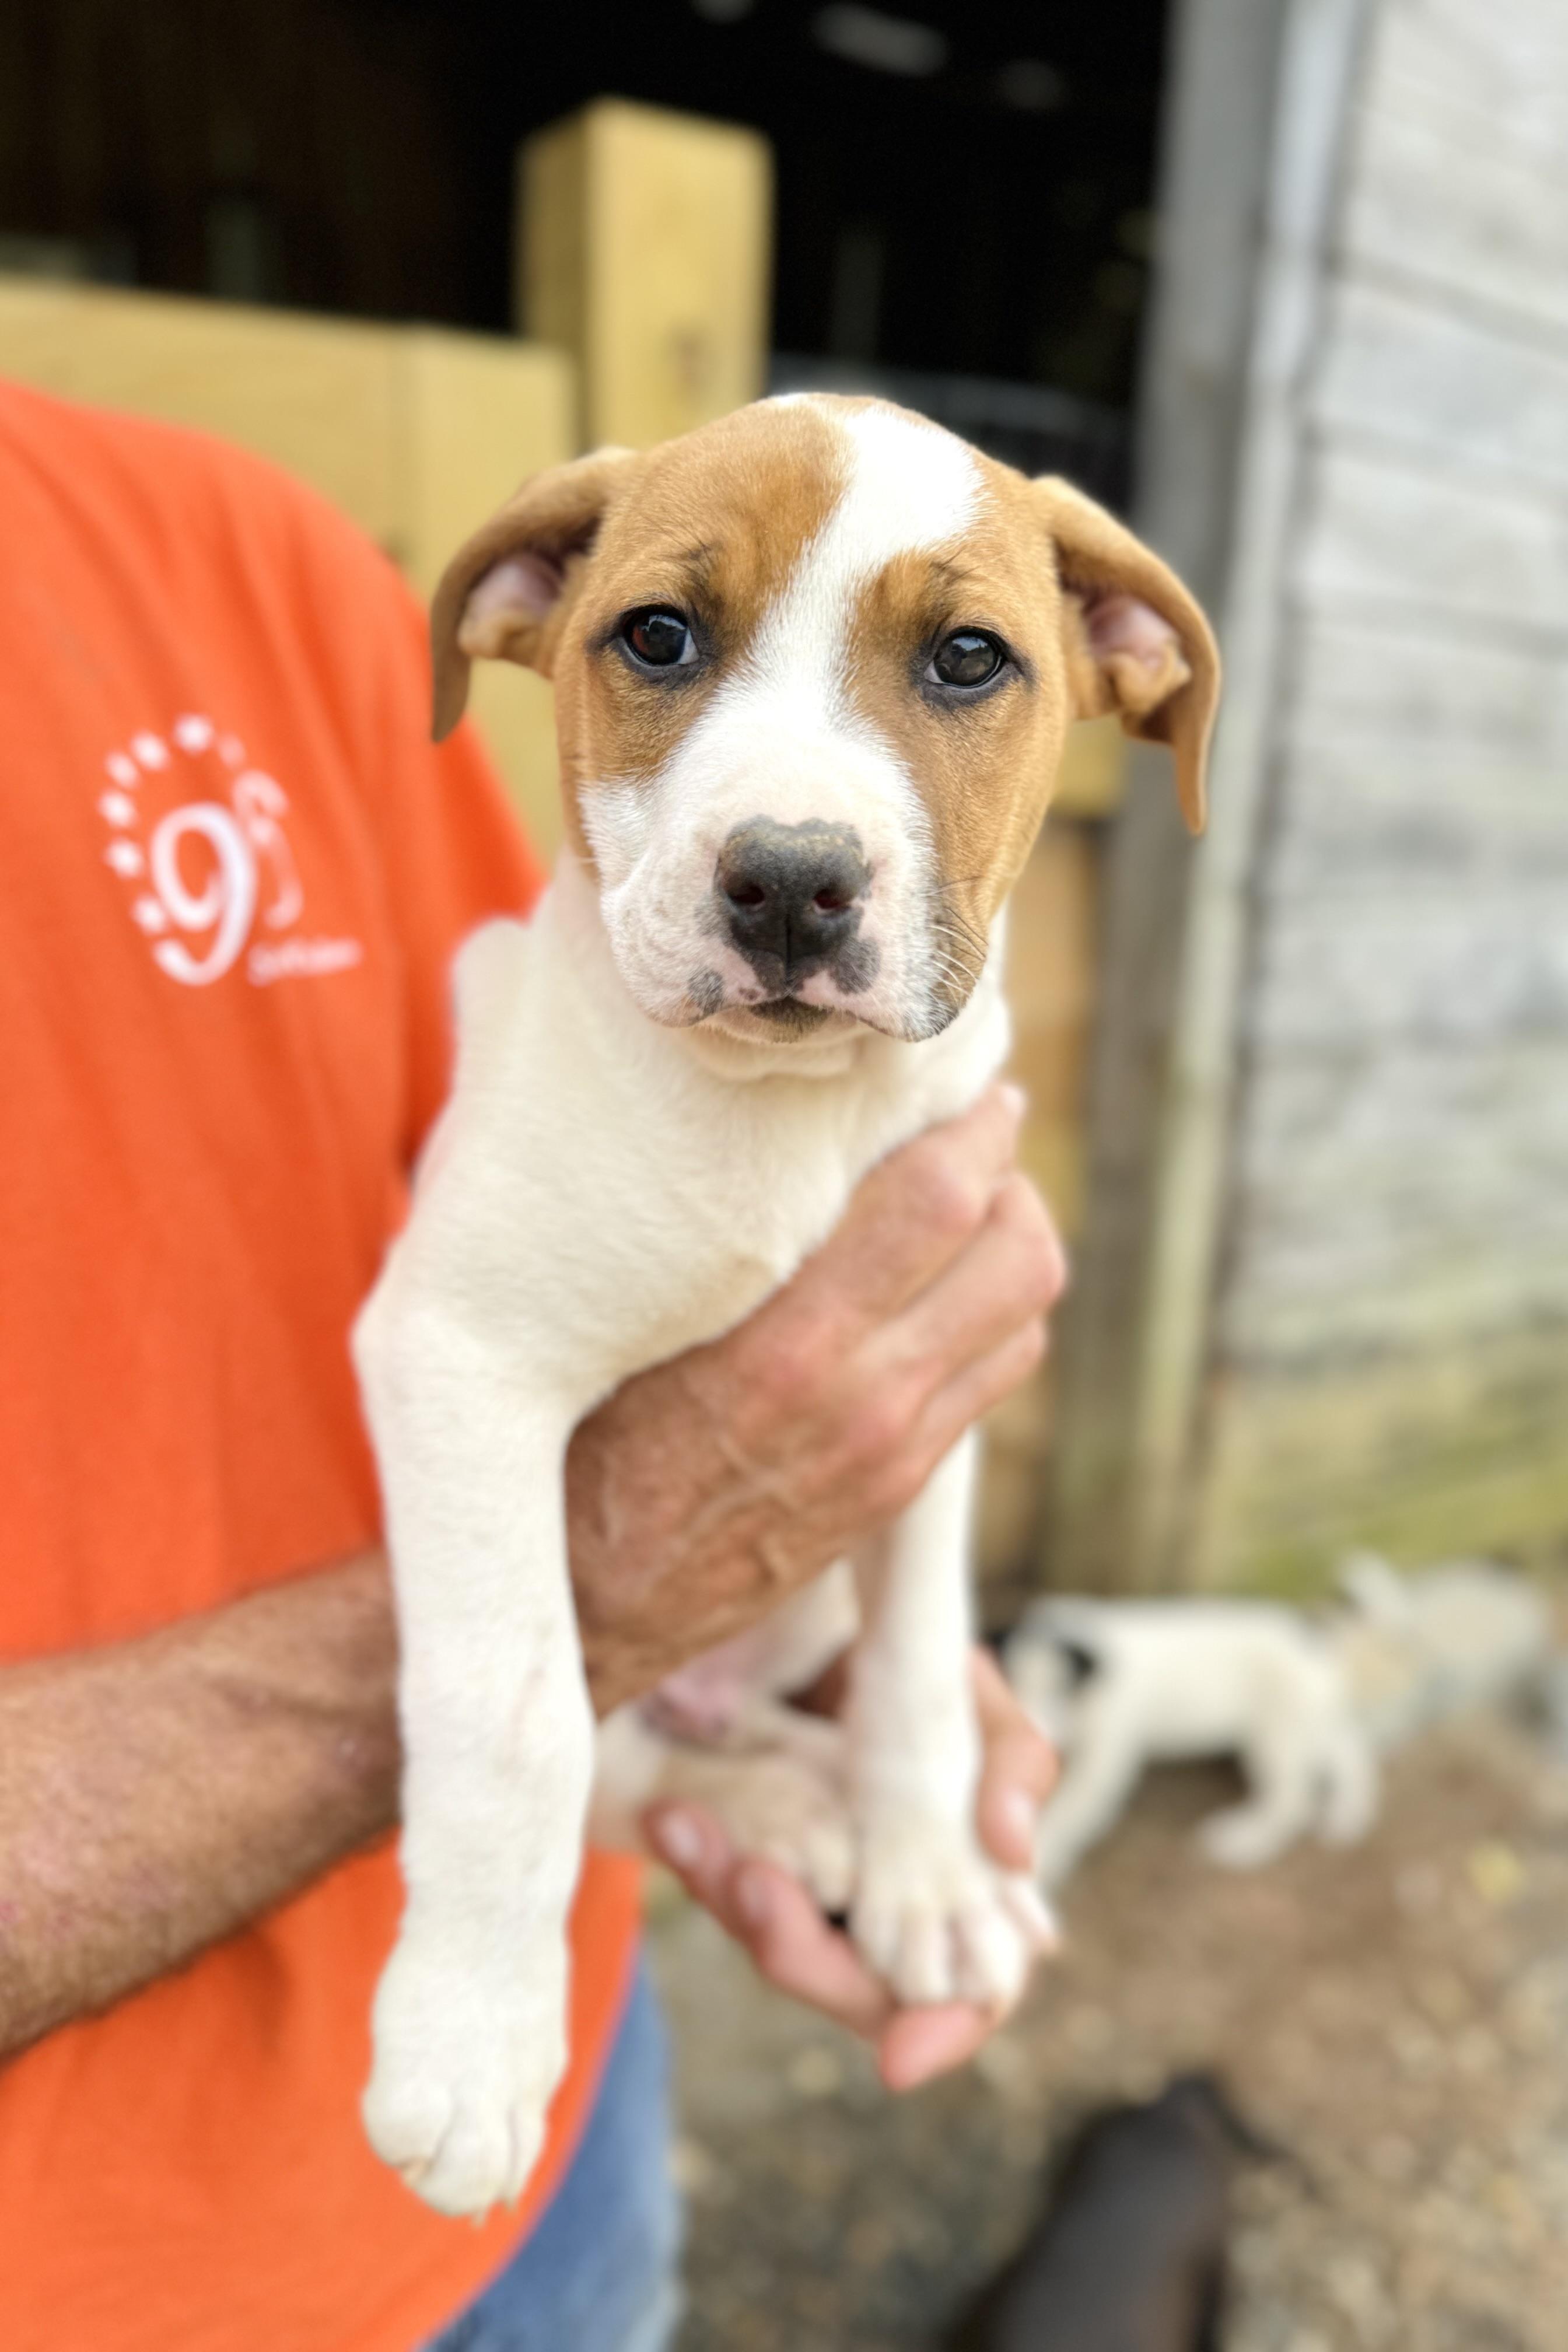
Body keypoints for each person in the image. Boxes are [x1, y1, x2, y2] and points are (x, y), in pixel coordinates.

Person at [0, 377, 1065, 2352]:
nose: (798, 835)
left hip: (558, 2144)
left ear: (1120, 665)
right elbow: (469, 1341)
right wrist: (546, 1777)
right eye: (663, 639)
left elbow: (902, 1384)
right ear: (533, 620)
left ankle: (749, 1781)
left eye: (967, 657)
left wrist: (894, 1735)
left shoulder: (255, 553)